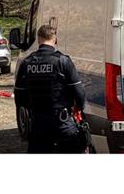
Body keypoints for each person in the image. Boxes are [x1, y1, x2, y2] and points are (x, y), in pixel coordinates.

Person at [13, 24, 87, 153]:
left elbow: (19, 96)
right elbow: (79, 92)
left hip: (38, 124)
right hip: (61, 122)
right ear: (55, 39)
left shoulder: (27, 63)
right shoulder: (63, 61)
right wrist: (79, 108)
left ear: (38, 40)